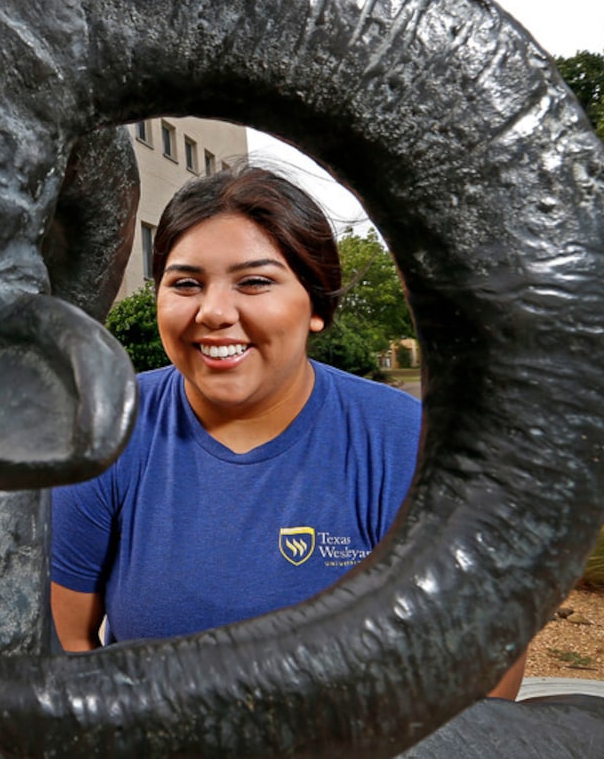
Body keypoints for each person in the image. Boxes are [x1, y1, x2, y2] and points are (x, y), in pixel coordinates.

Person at [49, 165, 525, 699]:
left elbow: (488, 659)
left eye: (254, 282)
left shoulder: (401, 439)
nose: (213, 312)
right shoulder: (109, 426)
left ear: (315, 305)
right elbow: (69, 640)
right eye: (186, 283)